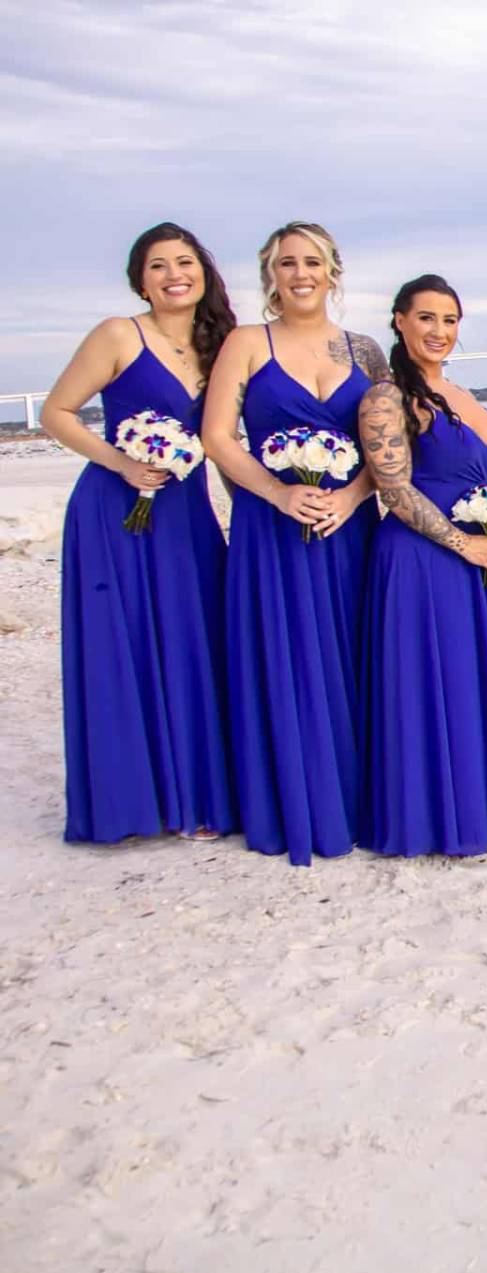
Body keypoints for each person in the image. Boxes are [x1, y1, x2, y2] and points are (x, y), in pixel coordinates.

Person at [43, 222, 236, 844]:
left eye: (184, 261)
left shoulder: (222, 345)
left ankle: (199, 797)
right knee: (124, 647)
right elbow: (56, 412)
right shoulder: (117, 335)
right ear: (140, 279)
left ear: (203, 271)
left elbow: (230, 440)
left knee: (194, 641)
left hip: (188, 514)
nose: (173, 273)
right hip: (115, 509)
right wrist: (121, 462)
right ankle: (135, 802)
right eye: (158, 265)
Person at [202, 221, 386, 865]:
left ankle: (360, 803)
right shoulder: (248, 343)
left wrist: (353, 495)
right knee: (286, 658)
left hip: (348, 527)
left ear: (333, 271)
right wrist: (279, 495)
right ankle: (295, 805)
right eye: (287, 263)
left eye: (312, 262)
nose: (300, 273)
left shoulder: (364, 351)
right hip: (271, 528)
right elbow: (219, 437)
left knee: (351, 658)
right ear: (270, 275)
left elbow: (388, 449)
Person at [357, 275, 487, 857]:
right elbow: (394, 489)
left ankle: (476, 811)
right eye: (426, 318)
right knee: (424, 686)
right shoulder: (386, 396)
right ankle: (425, 819)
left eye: (450, 320)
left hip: (472, 558)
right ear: (399, 321)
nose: (439, 331)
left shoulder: (460, 394)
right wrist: (465, 543)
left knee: (464, 682)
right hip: (418, 559)